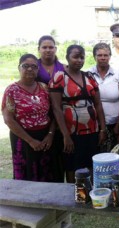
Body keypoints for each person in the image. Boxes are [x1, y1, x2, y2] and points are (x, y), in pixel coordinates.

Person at [49, 45, 107, 183]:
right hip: (71, 133)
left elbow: (98, 105)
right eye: (75, 57)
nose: (79, 60)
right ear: (67, 58)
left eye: (82, 57)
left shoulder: (90, 77)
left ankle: (89, 194)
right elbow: (56, 108)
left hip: (91, 131)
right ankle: (73, 195)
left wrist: (102, 129)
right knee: (72, 166)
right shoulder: (59, 77)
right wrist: (65, 135)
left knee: (91, 164)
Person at [2, 54, 56, 181]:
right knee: (27, 174)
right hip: (22, 139)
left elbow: (54, 113)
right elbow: (8, 119)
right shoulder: (12, 90)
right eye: (26, 66)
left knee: (47, 174)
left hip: (45, 139)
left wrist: (50, 135)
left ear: (38, 70)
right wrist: (30, 140)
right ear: (19, 68)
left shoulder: (44, 88)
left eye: (34, 66)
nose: (30, 69)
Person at [36, 35, 66, 182]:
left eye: (51, 47)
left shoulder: (63, 68)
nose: (48, 50)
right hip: (39, 114)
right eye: (44, 47)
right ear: (39, 49)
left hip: (60, 115)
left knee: (58, 156)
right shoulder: (33, 67)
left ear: (55, 48)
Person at [88, 42, 119, 152]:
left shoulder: (117, 74)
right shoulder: (88, 74)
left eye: (106, 55)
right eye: (99, 55)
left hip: (114, 123)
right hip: (95, 124)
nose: (103, 58)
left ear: (110, 56)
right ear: (94, 57)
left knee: (113, 154)